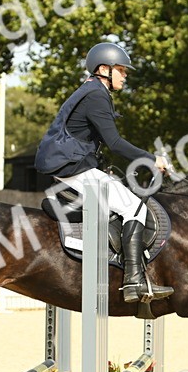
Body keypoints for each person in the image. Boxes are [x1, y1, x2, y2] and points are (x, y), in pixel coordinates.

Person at [34, 42, 173, 304]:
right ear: (103, 70)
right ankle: (133, 281)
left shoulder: (93, 91)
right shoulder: (96, 95)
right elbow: (116, 143)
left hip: (72, 164)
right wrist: (152, 159)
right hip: (72, 167)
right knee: (133, 207)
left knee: (120, 193)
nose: (125, 75)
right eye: (121, 70)